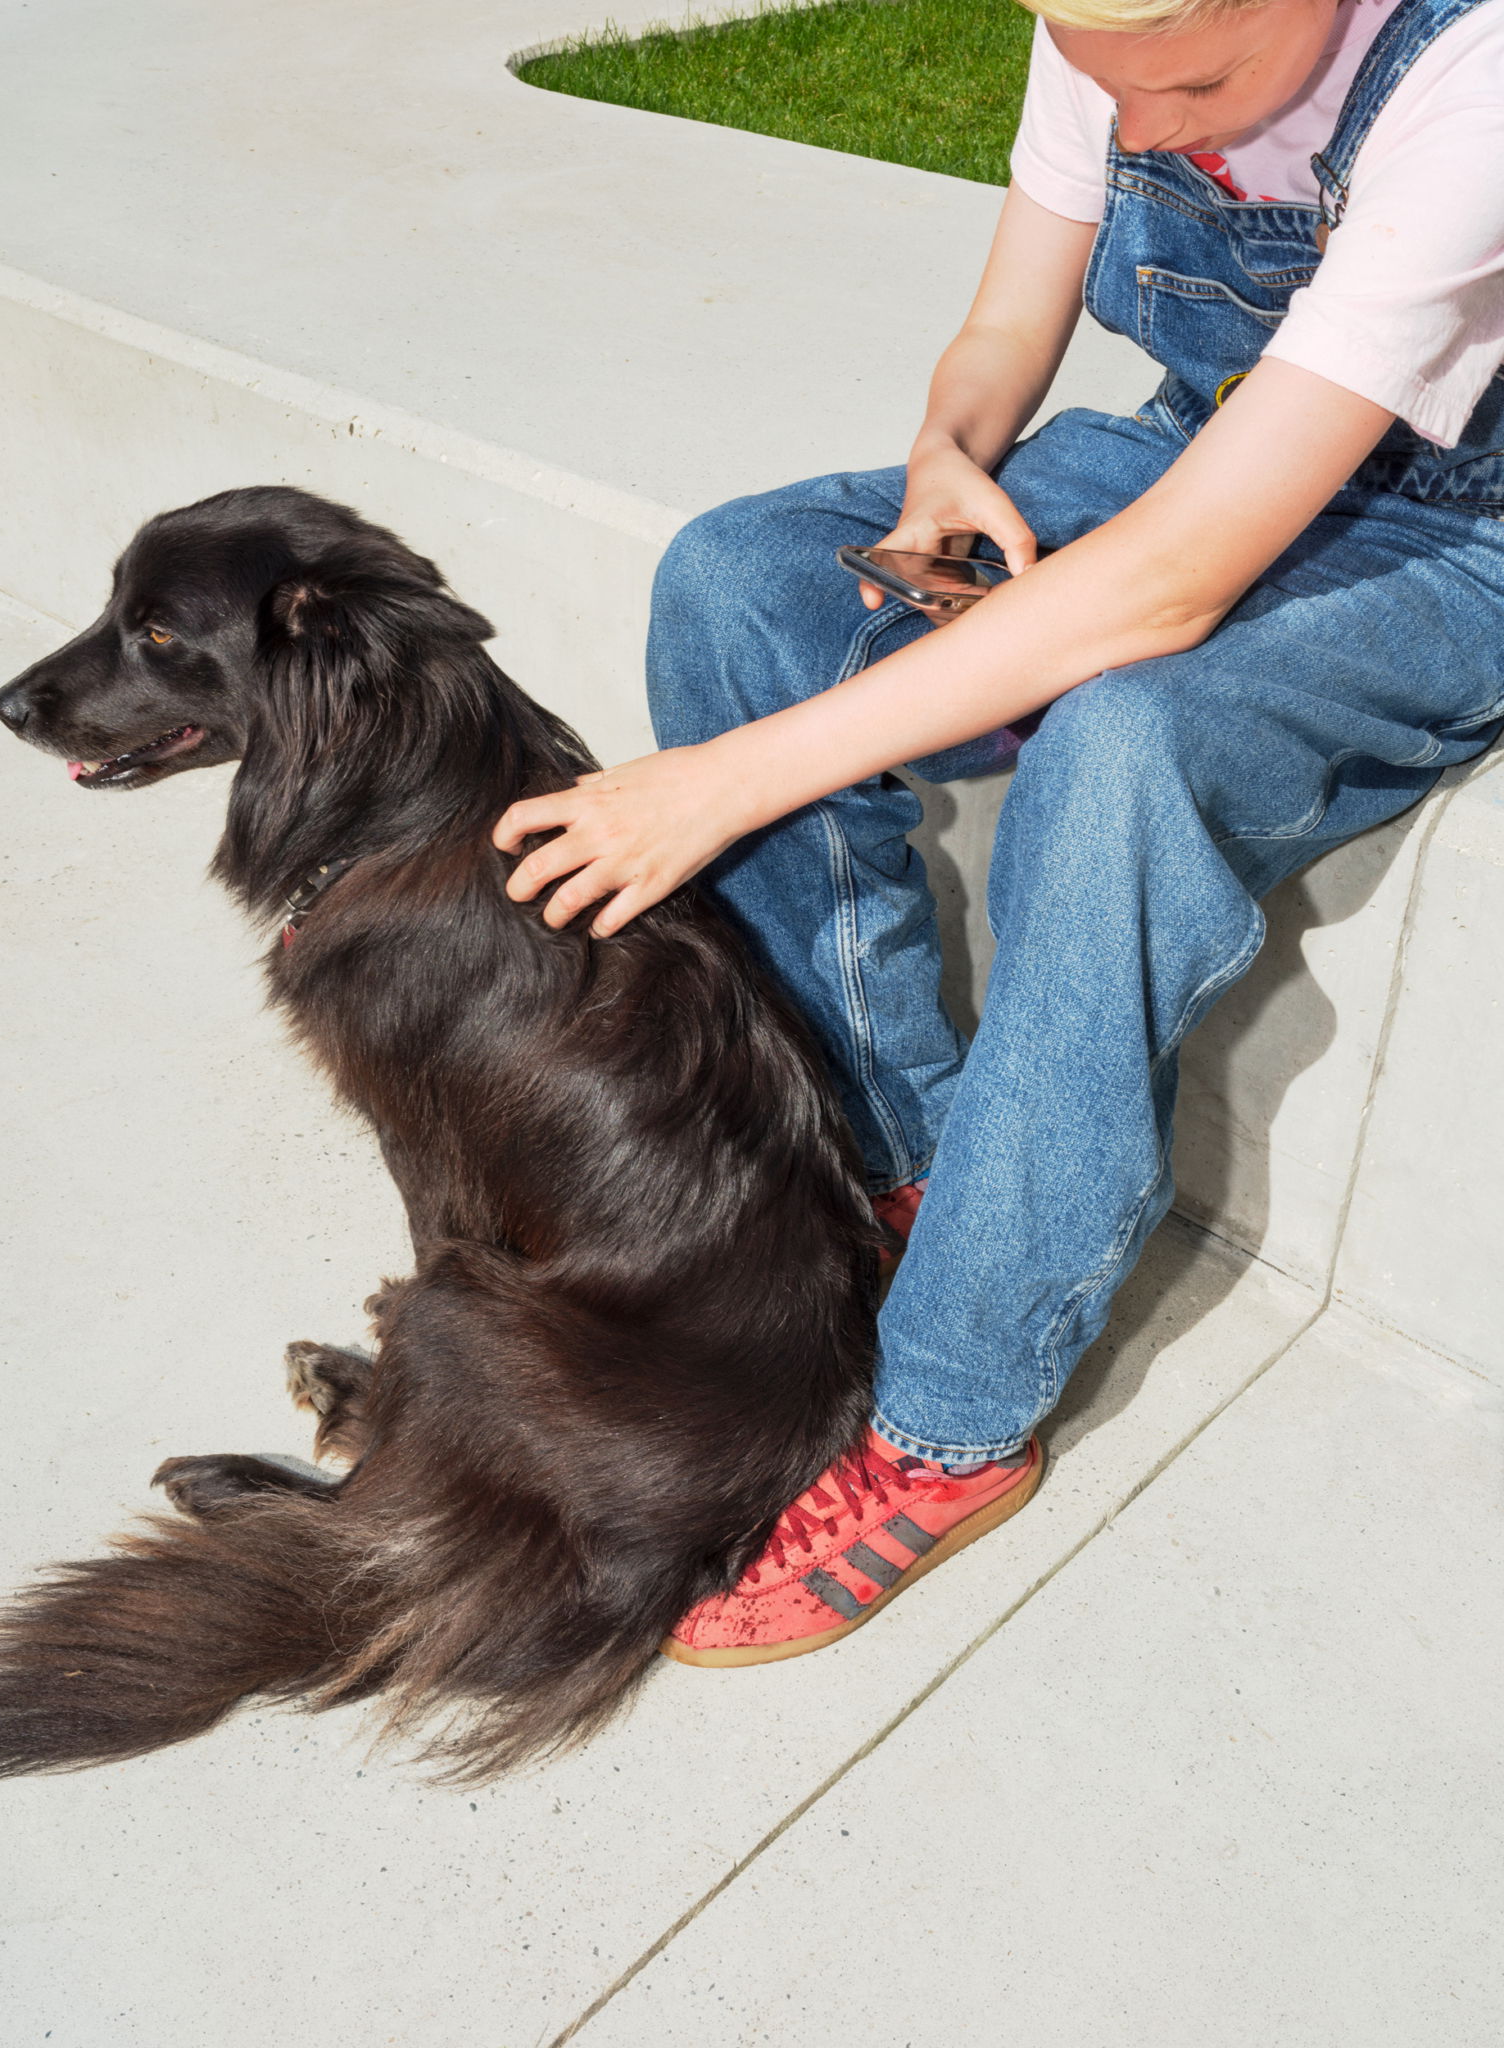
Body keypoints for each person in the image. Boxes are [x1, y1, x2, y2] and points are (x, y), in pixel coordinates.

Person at [495, 0, 1504, 1665]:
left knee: (1121, 743)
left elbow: (1172, 585)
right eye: (1121, 94)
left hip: (1457, 542)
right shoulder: (1111, 30)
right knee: (741, 584)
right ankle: (896, 1168)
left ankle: (955, 1416)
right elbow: (1007, 329)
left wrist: (721, 782)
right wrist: (950, 463)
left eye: (1198, 88)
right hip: (1213, 451)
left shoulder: (1469, 80)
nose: (1159, 133)